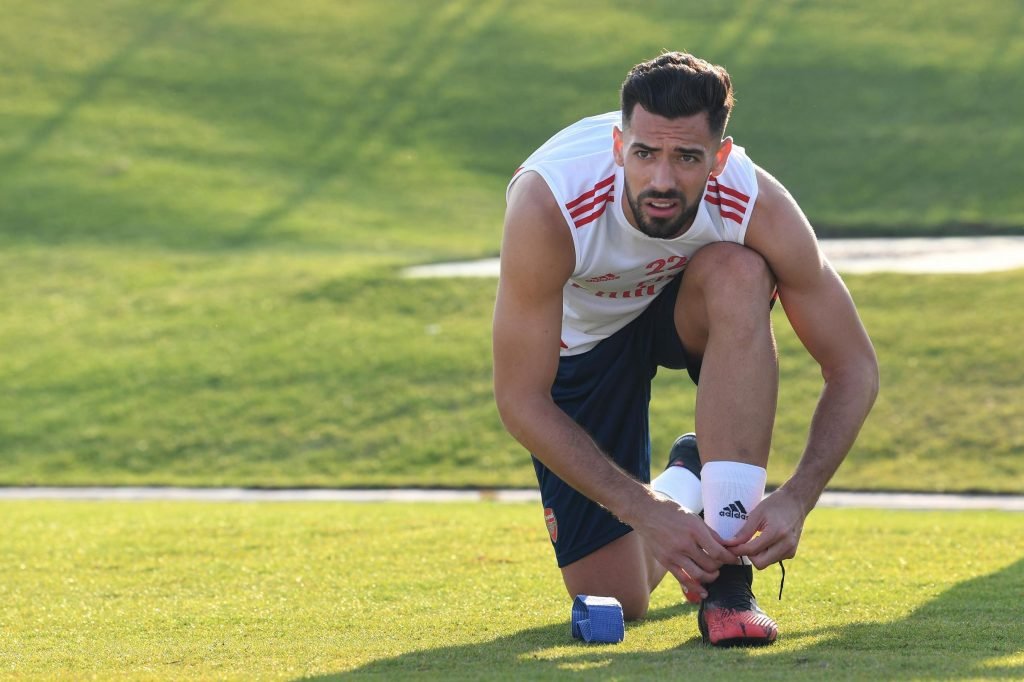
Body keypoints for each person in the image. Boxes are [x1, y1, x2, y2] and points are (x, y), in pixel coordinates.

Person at [492, 51, 879, 647]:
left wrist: (799, 496)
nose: (663, 180)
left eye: (687, 158)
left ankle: (729, 584)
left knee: (740, 272)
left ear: (719, 158)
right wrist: (649, 508)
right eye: (645, 154)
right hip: (582, 344)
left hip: (684, 309)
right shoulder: (549, 204)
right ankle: (690, 478)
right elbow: (520, 398)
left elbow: (853, 366)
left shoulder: (755, 202)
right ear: (620, 146)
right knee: (618, 597)